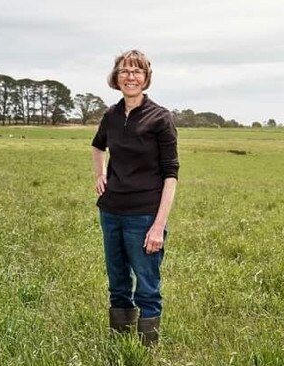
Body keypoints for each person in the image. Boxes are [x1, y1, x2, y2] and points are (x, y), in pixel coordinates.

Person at [91, 49, 179, 347]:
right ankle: (119, 347)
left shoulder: (160, 118)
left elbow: (171, 175)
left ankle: (146, 351)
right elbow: (97, 146)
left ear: (146, 78)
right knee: (117, 284)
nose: (130, 76)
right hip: (111, 211)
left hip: (144, 215)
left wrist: (158, 226)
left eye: (137, 71)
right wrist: (99, 174)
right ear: (116, 77)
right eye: (125, 71)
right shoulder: (111, 115)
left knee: (147, 287)